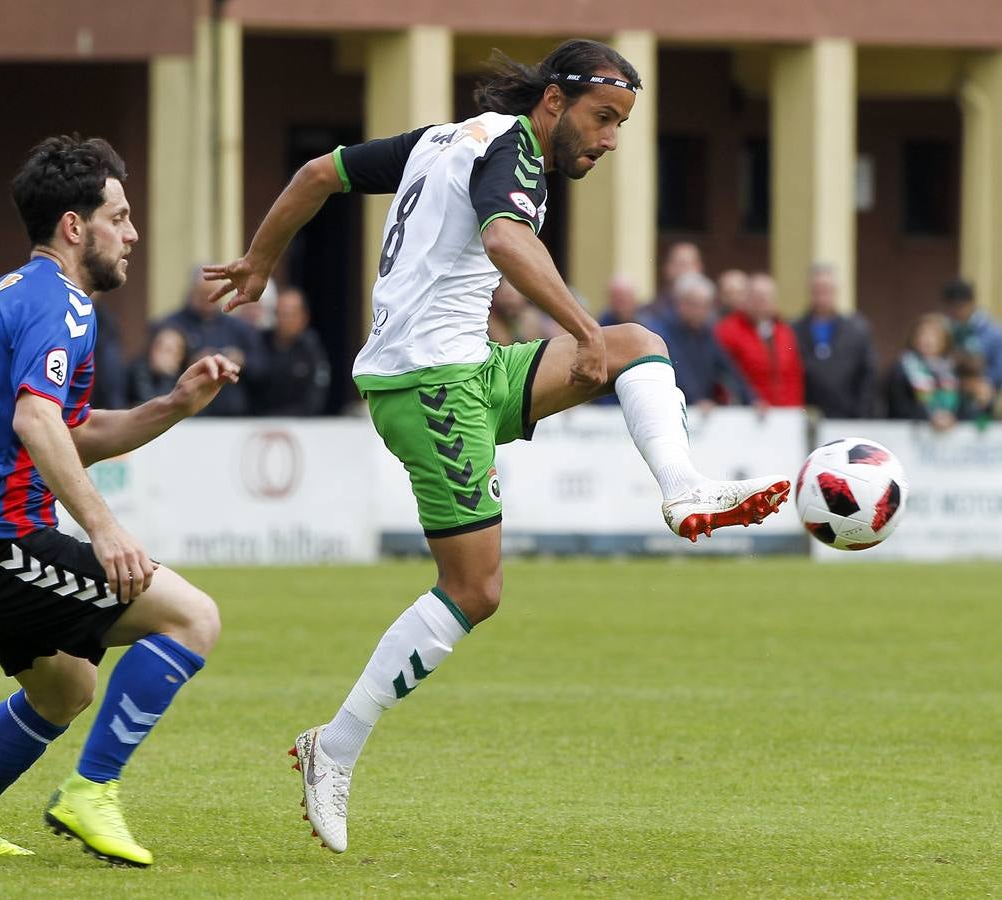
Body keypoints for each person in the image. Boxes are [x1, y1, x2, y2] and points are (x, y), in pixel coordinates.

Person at [205, 39, 788, 854]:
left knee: (635, 342)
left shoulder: (445, 137)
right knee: (474, 591)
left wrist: (261, 263)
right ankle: (330, 749)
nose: (610, 139)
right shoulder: (509, 150)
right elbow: (507, 241)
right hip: (427, 385)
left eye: (620, 124)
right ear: (552, 101)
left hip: (468, 368)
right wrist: (576, 328)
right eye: (602, 118)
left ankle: (683, 486)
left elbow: (315, 176)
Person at [0, 135, 239, 867]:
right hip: (2, 545)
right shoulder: (61, 305)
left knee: (66, 690)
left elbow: (64, 432)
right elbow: (36, 421)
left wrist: (174, 405)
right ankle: (92, 791)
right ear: (72, 226)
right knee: (193, 617)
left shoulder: (11, 293)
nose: (132, 233)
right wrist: (107, 529)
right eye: (118, 217)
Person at [161, 268, 266, 416]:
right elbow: (157, 368)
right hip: (188, 412)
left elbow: (262, 369)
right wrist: (188, 362)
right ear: (192, 292)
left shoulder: (240, 328)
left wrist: (242, 360)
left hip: (234, 413)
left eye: (213, 294)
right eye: (203, 294)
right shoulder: (171, 324)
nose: (208, 299)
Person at [649, 272, 752, 408]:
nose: (702, 311)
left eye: (706, 306)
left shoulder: (707, 333)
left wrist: (752, 400)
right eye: (696, 305)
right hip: (671, 408)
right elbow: (678, 370)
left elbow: (728, 369)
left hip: (700, 411)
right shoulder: (662, 332)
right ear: (681, 303)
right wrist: (696, 400)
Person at [792, 263, 877, 418]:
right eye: (816, 290)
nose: (821, 295)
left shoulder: (856, 329)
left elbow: (867, 375)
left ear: (835, 291)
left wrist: (862, 415)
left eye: (826, 289)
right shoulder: (794, 330)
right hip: (807, 418)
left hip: (847, 416)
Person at [715, 272, 804, 407]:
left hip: (785, 413)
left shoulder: (785, 331)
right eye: (758, 297)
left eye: (767, 297)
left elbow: (794, 375)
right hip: (747, 413)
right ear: (747, 298)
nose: (763, 302)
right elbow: (725, 375)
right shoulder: (727, 330)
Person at [253, 286, 331, 415]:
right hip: (256, 422)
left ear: (304, 317)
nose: (283, 320)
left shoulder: (312, 348)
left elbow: (316, 396)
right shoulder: (260, 342)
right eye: (279, 314)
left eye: (289, 315)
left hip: (300, 423)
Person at [884, 313, 959, 429]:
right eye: (923, 334)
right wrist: (929, 418)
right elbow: (898, 406)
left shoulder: (951, 370)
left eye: (934, 335)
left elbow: (961, 408)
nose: (928, 340)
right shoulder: (902, 368)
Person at [941, 277, 1002, 391]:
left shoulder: (993, 333)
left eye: (959, 307)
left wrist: (981, 380)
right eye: (951, 308)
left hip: (979, 394)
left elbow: (999, 371)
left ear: (971, 303)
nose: (955, 313)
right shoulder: (942, 328)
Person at [127, 324, 188, 405]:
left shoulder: (182, 374)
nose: (174, 357)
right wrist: (167, 375)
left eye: (177, 352)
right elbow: (152, 405)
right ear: (153, 348)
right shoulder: (138, 370)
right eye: (168, 350)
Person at [648, 241, 702, 321]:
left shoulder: (711, 312)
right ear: (667, 268)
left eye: (684, 264)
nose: (680, 270)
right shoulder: (654, 310)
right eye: (676, 264)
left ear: (698, 267)